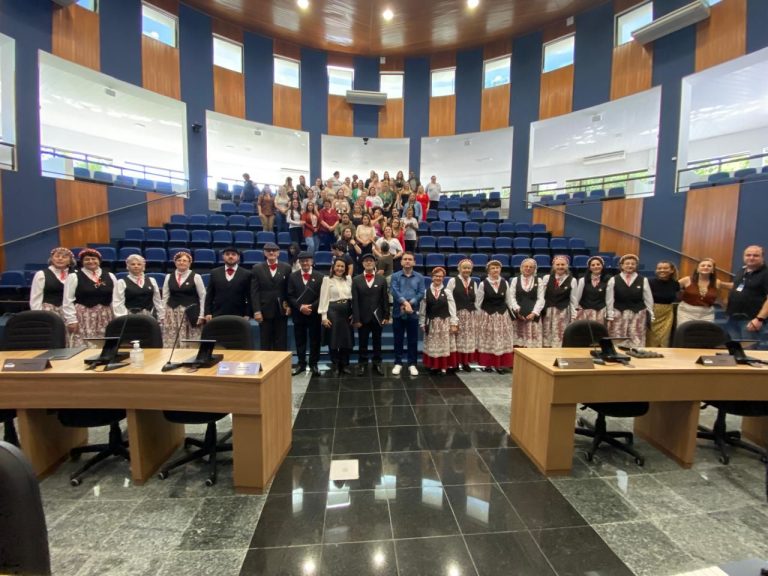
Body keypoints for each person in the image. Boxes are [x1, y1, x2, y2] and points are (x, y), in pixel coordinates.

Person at [62, 248, 117, 348]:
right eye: (87, 259)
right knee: (83, 346)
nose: (91, 261)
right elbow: (67, 300)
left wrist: (116, 317)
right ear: (82, 262)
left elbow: (115, 299)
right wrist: (71, 320)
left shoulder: (110, 276)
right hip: (83, 317)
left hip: (105, 316)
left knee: (104, 344)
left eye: (93, 259)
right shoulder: (74, 276)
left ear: (99, 261)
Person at [352, 253, 390, 375]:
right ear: (362, 264)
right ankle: (362, 363)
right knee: (362, 342)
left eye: (371, 261)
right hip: (362, 318)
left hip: (377, 317)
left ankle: (377, 363)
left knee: (377, 342)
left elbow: (385, 299)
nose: (368, 263)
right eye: (366, 261)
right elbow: (355, 301)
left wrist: (386, 316)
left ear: (375, 263)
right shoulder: (356, 280)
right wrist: (356, 318)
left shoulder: (382, 279)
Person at [606, 253, 654, 347]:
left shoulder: (643, 280)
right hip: (618, 312)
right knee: (617, 336)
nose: (630, 265)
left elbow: (648, 298)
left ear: (636, 266)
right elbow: (609, 298)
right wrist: (610, 313)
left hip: (638, 312)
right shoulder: (613, 279)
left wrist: (650, 313)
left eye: (633, 263)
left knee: (636, 337)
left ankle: (637, 357)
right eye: (627, 263)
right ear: (622, 265)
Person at [475, 260, 515, 373]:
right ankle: (487, 364)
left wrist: (512, 314)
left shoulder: (505, 283)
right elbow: (478, 303)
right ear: (488, 270)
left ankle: (500, 365)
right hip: (488, 315)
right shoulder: (483, 284)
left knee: (500, 340)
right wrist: (479, 318)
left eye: (497, 268)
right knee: (488, 339)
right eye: (493, 268)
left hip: (502, 316)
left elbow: (509, 300)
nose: (495, 270)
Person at [287, 252, 323, 376]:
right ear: (299, 263)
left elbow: (322, 296)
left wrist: (311, 307)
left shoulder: (320, 276)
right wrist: (300, 307)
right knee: (300, 340)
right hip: (299, 314)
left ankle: (314, 364)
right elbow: (290, 296)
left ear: (312, 262)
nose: (305, 263)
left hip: (314, 314)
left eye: (307, 260)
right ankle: (301, 364)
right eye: (302, 261)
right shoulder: (293, 276)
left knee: (315, 340)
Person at [724, 245, 768, 348]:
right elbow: (737, 286)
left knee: (748, 352)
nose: (751, 258)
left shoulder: (766, 274)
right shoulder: (742, 271)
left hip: (750, 321)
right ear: (744, 257)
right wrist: (720, 284)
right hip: (733, 319)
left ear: (762, 257)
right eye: (748, 255)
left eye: (755, 255)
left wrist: (759, 319)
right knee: (734, 351)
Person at [251, 242, 292, 351]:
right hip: (264, 310)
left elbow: (289, 290)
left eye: (274, 250)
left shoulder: (287, 267)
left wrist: (289, 306)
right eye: (268, 250)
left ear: (278, 253)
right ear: (264, 253)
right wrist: (256, 310)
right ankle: (267, 366)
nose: (271, 252)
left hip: (281, 309)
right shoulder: (257, 268)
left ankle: (281, 365)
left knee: (281, 340)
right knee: (265, 340)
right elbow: (254, 292)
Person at [161, 250, 206, 348]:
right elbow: (165, 297)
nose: (182, 262)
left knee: (191, 340)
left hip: (191, 313)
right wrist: (162, 315)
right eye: (179, 260)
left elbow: (203, 297)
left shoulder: (196, 277)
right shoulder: (168, 277)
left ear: (189, 263)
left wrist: (201, 315)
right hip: (172, 313)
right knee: (172, 339)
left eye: (185, 261)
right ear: (175, 262)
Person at [390, 252, 425, 376]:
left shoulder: (420, 277)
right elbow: (394, 291)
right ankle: (398, 363)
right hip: (398, 312)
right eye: (405, 259)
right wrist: (406, 303)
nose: (407, 261)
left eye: (410, 259)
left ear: (414, 262)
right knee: (398, 339)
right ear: (401, 262)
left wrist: (412, 303)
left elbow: (421, 293)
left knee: (413, 340)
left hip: (413, 313)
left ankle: (412, 364)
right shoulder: (395, 276)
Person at [419, 267, 458, 374]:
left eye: (440, 276)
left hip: (444, 322)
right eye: (436, 276)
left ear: (443, 278)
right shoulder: (426, 292)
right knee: (433, 345)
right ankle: (434, 365)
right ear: (432, 277)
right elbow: (423, 309)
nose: (438, 278)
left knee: (444, 345)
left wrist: (454, 323)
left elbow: (452, 308)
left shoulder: (447, 292)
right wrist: (422, 322)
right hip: (431, 323)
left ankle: (443, 366)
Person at [319, 258, 354, 376]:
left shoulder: (348, 279)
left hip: (347, 312)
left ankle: (344, 364)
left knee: (346, 339)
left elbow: (352, 298)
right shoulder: (327, 280)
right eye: (338, 266)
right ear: (333, 267)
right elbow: (324, 298)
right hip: (333, 312)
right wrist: (324, 317)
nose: (340, 268)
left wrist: (354, 312)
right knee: (333, 340)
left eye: (342, 266)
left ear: (345, 269)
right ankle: (335, 364)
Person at [677, 258, 732, 326]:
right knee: (686, 334)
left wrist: (725, 307)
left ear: (712, 270)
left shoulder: (717, 282)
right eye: (703, 265)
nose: (706, 267)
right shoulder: (687, 280)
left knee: (704, 334)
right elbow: (671, 288)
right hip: (686, 313)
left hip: (707, 314)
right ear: (697, 269)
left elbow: (717, 297)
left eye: (709, 266)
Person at [445, 259, 478, 371]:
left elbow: (476, 301)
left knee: (467, 339)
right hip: (457, 314)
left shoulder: (474, 282)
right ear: (459, 269)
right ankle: (455, 363)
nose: (466, 270)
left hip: (470, 316)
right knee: (456, 339)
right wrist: (452, 317)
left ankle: (465, 363)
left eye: (469, 268)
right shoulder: (452, 281)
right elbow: (448, 298)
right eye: (464, 267)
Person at [203, 247, 251, 320]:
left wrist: (248, 314)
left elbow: (250, 296)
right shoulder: (214, 272)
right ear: (223, 257)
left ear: (238, 257)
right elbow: (210, 295)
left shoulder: (247, 274)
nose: (230, 256)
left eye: (233, 254)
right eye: (227, 254)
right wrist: (207, 312)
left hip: (239, 314)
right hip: (217, 313)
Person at [540, 255, 578, 348]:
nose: (560, 267)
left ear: (567, 266)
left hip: (563, 312)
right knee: (546, 334)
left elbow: (573, 300)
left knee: (560, 334)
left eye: (562, 264)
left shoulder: (572, 280)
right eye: (558, 264)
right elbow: (541, 296)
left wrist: (574, 315)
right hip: (548, 311)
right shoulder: (546, 278)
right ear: (553, 266)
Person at [29, 246, 75, 321]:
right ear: (52, 259)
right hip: (48, 312)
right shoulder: (41, 274)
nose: (60, 258)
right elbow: (35, 298)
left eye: (64, 257)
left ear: (70, 261)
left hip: (71, 313)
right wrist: (37, 316)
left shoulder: (75, 274)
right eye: (57, 256)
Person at [509, 257, 545, 349]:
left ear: (534, 269)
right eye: (526, 266)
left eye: (531, 267)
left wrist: (534, 313)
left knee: (531, 345)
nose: (528, 268)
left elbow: (541, 299)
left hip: (532, 316)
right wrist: (517, 310)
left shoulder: (539, 281)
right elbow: (511, 297)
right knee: (517, 344)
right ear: (521, 268)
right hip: (518, 316)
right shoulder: (515, 280)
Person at [113, 254, 164, 318]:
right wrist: (123, 318)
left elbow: (157, 300)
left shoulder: (152, 281)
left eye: (139, 264)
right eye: (133, 264)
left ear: (143, 267)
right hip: (129, 317)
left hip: (149, 317)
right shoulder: (121, 282)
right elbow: (118, 303)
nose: (136, 266)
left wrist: (161, 316)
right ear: (127, 266)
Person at [646, 260, 680, 347]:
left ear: (671, 270)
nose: (662, 270)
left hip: (667, 313)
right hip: (652, 311)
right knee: (651, 337)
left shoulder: (675, 283)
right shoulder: (649, 282)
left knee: (664, 338)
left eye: (665, 268)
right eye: (659, 268)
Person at [574, 256, 608, 323]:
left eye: (598, 264)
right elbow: (577, 297)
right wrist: (575, 310)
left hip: (601, 311)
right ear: (589, 268)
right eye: (593, 265)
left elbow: (609, 298)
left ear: (602, 266)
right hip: (585, 311)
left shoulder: (608, 280)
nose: (596, 266)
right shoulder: (582, 280)